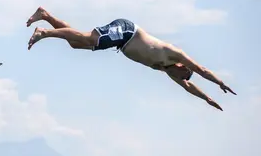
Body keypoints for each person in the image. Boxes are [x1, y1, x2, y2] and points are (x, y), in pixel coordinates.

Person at [27, 7, 237, 111]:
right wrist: (219, 83)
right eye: (183, 76)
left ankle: (45, 15)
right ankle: (43, 32)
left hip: (122, 42)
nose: (181, 80)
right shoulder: (174, 54)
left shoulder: (166, 69)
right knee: (89, 39)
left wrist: (208, 99)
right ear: (182, 67)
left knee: (76, 42)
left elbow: (188, 88)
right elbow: (200, 69)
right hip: (128, 31)